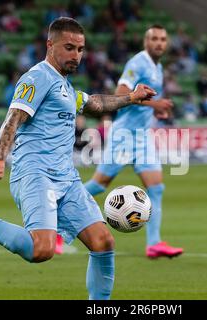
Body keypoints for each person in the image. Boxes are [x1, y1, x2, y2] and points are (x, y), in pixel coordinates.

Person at [0, 17, 156, 300]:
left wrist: (130, 98)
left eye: (81, 49)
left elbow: (95, 103)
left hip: (67, 178)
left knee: (103, 241)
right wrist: (0, 160)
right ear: (50, 45)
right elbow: (13, 118)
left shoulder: (64, 87)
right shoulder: (38, 77)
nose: (76, 55)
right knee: (42, 250)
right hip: (36, 173)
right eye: (69, 48)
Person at [83, 25, 183, 259]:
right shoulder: (137, 63)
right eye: (154, 39)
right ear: (146, 42)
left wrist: (154, 111)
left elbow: (144, 100)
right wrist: (156, 105)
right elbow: (121, 91)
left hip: (142, 135)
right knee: (98, 185)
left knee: (156, 187)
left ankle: (154, 244)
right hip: (124, 135)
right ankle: (57, 214)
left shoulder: (156, 67)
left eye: (163, 39)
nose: (159, 43)